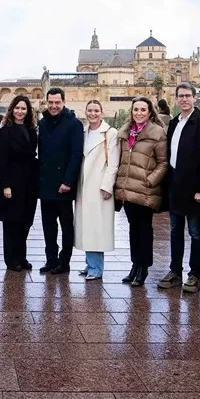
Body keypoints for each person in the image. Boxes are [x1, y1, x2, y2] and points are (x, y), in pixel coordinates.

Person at [158, 83, 200, 294]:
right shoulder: (174, 123)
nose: (184, 99)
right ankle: (175, 271)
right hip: (175, 186)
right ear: (176, 99)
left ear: (194, 98)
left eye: (187, 96)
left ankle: (195, 274)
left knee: (194, 232)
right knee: (175, 231)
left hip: (194, 189)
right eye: (180, 96)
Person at [114, 97, 168, 287]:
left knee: (144, 230)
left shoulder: (157, 132)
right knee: (133, 229)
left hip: (145, 190)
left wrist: (150, 180)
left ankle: (144, 268)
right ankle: (135, 265)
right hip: (128, 189)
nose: (139, 113)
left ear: (150, 112)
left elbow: (163, 163)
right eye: (136, 109)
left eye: (143, 110)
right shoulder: (126, 131)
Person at [37, 87, 84, 275]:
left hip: (64, 184)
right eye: (51, 102)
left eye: (57, 102)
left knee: (65, 226)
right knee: (48, 225)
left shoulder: (74, 124)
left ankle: (64, 262)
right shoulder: (43, 122)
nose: (54, 106)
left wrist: (68, 181)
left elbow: (76, 154)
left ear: (63, 102)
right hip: (46, 183)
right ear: (47, 102)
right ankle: (51, 259)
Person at [74, 100, 119, 280]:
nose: (93, 114)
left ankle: (96, 267)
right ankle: (90, 263)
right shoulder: (83, 132)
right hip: (84, 185)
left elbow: (113, 163)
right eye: (90, 110)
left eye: (96, 110)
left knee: (97, 228)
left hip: (99, 186)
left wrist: (107, 185)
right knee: (87, 226)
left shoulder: (110, 133)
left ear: (102, 112)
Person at [0, 95, 38, 271]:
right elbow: (2, 159)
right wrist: (5, 184)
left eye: (23, 108)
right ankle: (11, 258)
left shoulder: (31, 129)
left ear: (28, 111)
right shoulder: (5, 131)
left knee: (25, 221)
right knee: (11, 222)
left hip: (29, 182)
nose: (20, 111)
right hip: (12, 182)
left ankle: (22, 256)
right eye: (17, 108)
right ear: (12, 109)